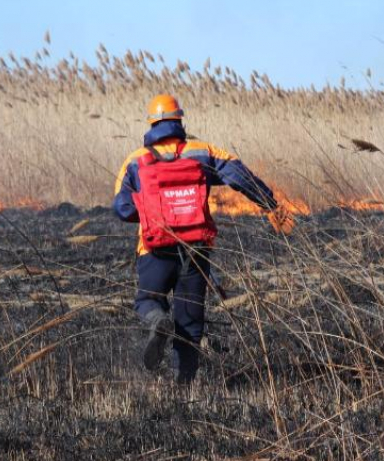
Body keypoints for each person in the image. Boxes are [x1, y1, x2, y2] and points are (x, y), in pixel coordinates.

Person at [113, 94, 293, 383]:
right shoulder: (203, 151)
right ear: (179, 119)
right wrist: (269, 204)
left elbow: (121, 209)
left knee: (147, 301)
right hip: (196, 248)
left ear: (151, 122)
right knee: (190, 322)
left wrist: (153, 214)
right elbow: (239, 176)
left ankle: (158, 321)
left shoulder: (135, 161)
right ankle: (183, 387)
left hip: (153, 250)